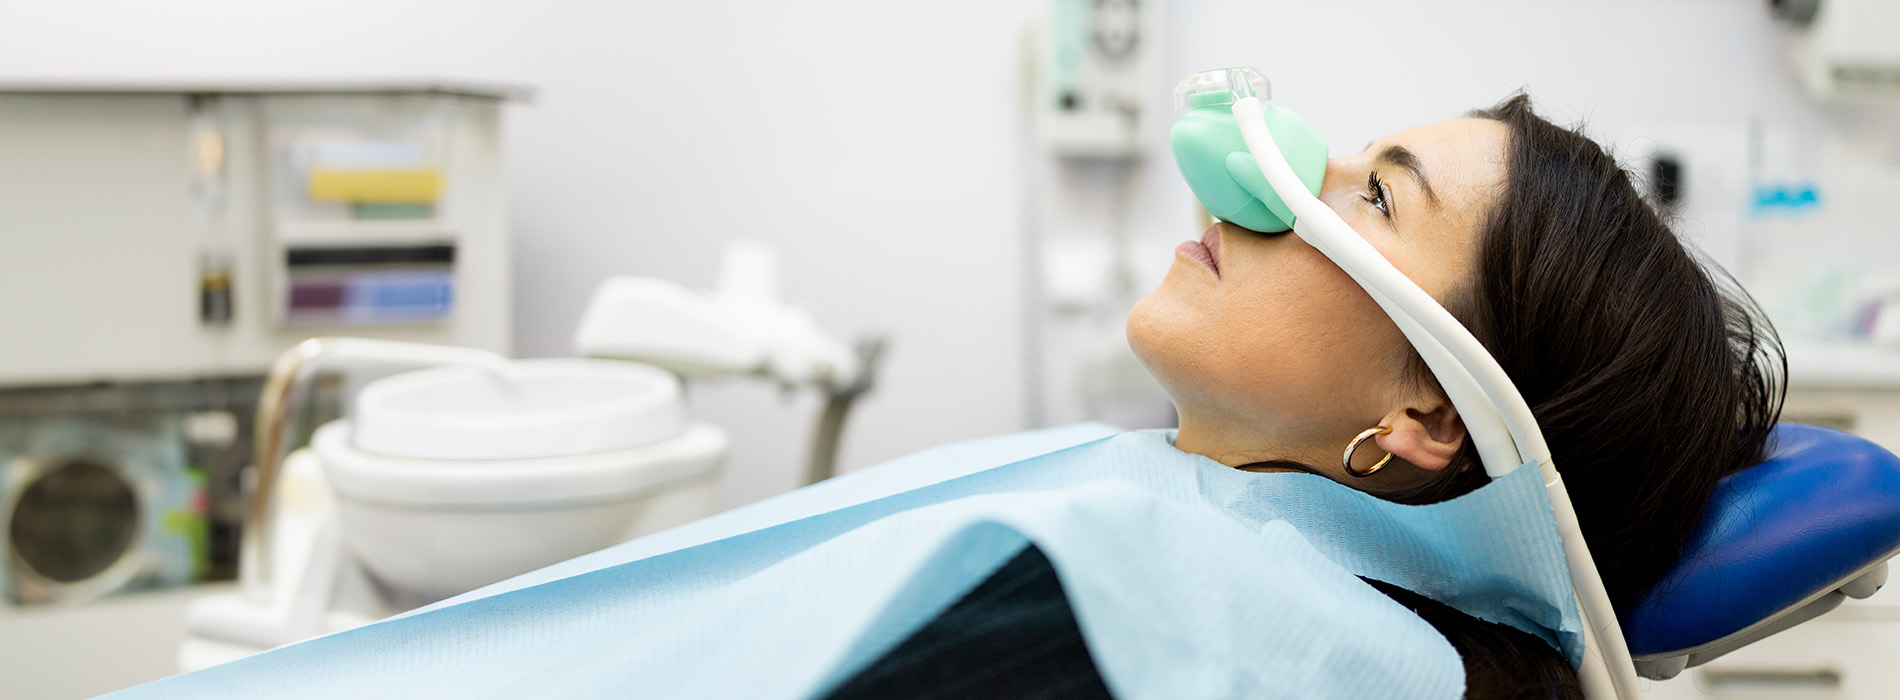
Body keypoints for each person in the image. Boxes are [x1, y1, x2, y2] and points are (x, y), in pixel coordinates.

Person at [830, 93, 1784, 699]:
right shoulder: (1156, 549)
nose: (1265, 186)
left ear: (1430, 415)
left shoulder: (1165, 634)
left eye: (1376, 197)